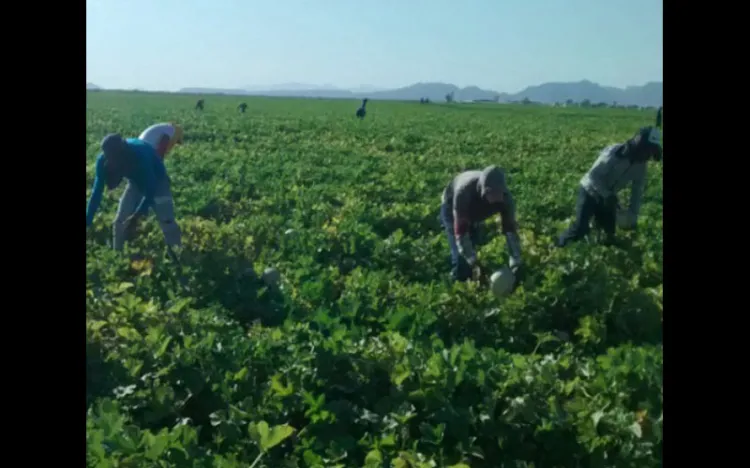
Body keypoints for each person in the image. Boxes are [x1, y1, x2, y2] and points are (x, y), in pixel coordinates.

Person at [556, 125, 662, 247]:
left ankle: (599, 253)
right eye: (648, 150)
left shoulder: (641, 166)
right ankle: (559, 245)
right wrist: (607, 195)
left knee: (609, 235)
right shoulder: (614, 153)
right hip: (589, 191)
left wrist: (633, 216)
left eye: (651, 152)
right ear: (640, 145)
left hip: (608, 197)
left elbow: (637, 191)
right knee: (581, 229)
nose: (648, 156)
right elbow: (593, 177)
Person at [86, 134, 182, 251]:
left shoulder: (140, 154)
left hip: (158, 181)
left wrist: (137, 215)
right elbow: (97, 192)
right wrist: (88, 220)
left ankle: (177, 253)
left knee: (167, 221)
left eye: (115, 158)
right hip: (135, 183)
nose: (112, 161)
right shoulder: (103, 161)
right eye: (110, 158)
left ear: (122, 152)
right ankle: (119, 256)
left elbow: (151, 187)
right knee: (120, 222)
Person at [440, 165, 523, 283]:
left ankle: (476, 280)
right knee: (461, 257)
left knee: (474, 242)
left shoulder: (506, 200)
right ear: (483, 190)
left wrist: (516, 260)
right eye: (491, 193)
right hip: (452, 208)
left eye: (498, 194)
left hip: (476, 213)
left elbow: (510, 231)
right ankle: (458, 282)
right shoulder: (464, 192)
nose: (495, 198)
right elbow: (461, 232)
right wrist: (474, 262)